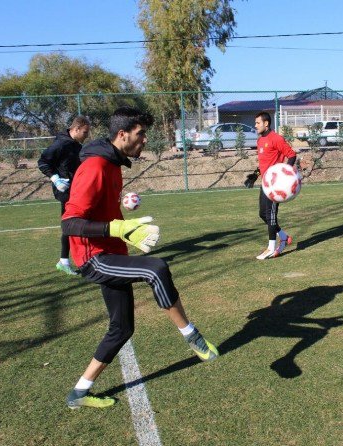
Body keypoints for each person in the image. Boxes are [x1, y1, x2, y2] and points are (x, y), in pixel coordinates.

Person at [61, 106, 218, 409]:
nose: (145, 139)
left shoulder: (112, 164)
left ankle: (79, 392)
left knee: (122, 329)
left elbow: (98, 207)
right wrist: (118, 227)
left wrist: (120, 214)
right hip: (94, 257)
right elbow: (70, 223)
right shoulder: (95, 166)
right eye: (140, 133)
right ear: (122, 135)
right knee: (156, 268)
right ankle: (192, 336)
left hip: (110, 252)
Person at [38, 115, 91, 276]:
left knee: (79, 223)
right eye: (85, 132)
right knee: (72, 225)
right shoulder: (61, 143)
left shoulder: (74, 144)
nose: (86, 135)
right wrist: (55, 179)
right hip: (66, 192)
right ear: (76, 129)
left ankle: (69, 260)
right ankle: (69, 261)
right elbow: (43, 162)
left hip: (76, 190)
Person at [251, 111, 297, 260]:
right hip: (264, 183)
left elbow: (291, 155)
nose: (255, 125)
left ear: (266, 123)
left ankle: (271, 248)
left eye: (258, 123)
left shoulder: (276, 138)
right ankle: (283, 236)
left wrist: (285, 174)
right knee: (262, 214)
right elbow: (265, 163)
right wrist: (255, 174)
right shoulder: (260, 140)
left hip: (275, 187)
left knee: (270, 215)